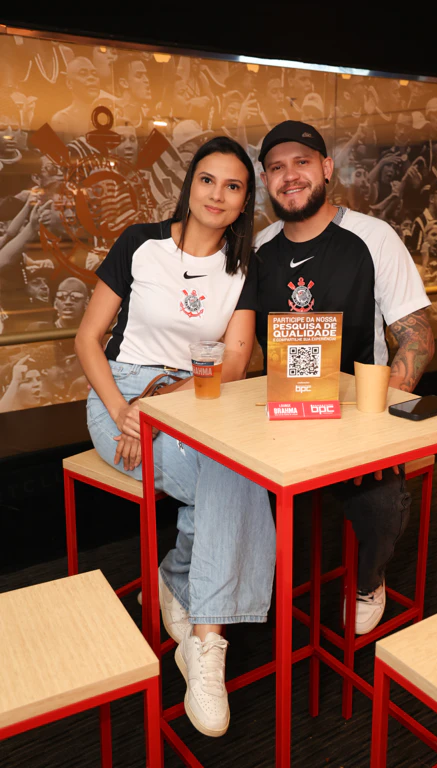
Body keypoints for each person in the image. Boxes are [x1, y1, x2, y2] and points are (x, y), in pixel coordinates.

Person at [74, 136, 275, 739]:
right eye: (208, 180)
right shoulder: (141, 242)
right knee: (234, 475)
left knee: (232, 467)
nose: (218, 195)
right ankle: (186, 595)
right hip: (120, 393)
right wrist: (125, 410)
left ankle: (201, 639)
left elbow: (234, 363)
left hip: (195, 398)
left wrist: (162, 406)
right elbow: (88, 339)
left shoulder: (243, 268)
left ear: (244, 202)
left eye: (233, 186)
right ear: (190, 185)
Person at [236, 120, 434, 634]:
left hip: (356, 418)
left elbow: (417, 340)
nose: (290, 175)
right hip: (283, 413)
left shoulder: (373, 237)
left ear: (326, 168)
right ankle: (209, 580)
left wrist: (375, 428)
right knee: (228, 486)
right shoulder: (260, 248)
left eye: (302, 162)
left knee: (380, 503)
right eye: (276, 167)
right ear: (266, 181)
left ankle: (369, 579)